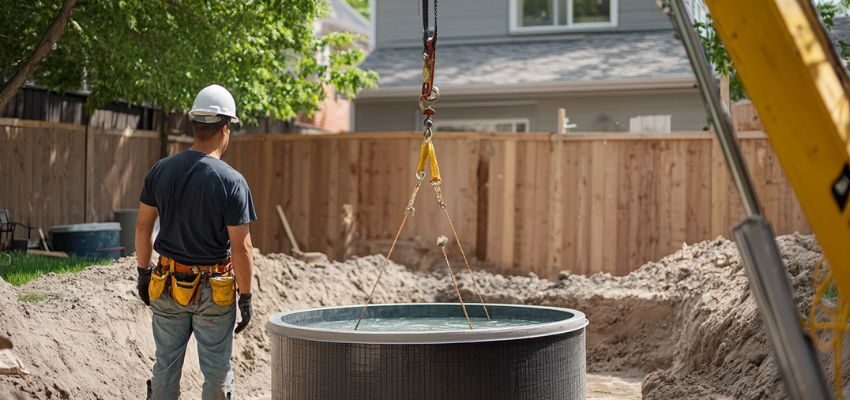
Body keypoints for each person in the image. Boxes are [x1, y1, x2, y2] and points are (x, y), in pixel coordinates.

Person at [135, 84, 256, 400]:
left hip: (166, 282)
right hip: (213, 292)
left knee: (165, 365)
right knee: (217, 371)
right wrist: (245, 296)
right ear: (225, 128)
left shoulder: (161, 170)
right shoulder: (231, 181)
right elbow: (241, 247)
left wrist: (142, 273)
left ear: (195, 125)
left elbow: (143, 225)